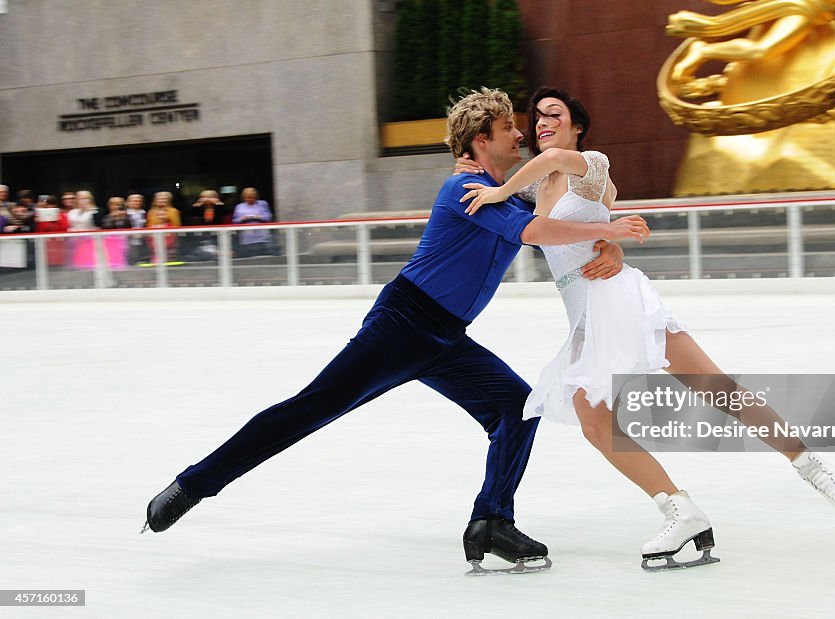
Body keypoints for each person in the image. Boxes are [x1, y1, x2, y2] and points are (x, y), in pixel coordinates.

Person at [143, 87, 650, 574]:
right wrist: (610, 230)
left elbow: (560, 230)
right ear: (480, 140)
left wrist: (612, 247)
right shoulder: (465, 191)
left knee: (515, 409)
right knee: (311, 408)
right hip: (402, 325)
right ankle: (192, 485)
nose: (519, 135)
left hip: (447, 338)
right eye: (506, 128)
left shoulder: (507, 197)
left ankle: (492, 520)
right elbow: (534, 232)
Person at [460, 86, 835, 571]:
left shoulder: (589, 164)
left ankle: (811, 467)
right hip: (584, 317)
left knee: (715, 387)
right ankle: (680, 508)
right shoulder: (535, 189)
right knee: (594, 421)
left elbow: (582, 184)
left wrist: (505, 192)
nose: (542, 124)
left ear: (577, 126)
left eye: (554, 115)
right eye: (538, 118)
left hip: (620, 301)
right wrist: (481, 172)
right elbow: (572, 216)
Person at [232, 187, 273, 257]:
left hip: (262, 237)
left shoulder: (262, 204)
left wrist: (260, 217)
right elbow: (234, 221)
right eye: (247, 198)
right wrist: (242, 218)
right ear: (243, 197)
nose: (250, 200)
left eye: (252, 198)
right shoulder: (239, 206)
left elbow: (269, 217)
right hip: (246, 238)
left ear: (255, 197)